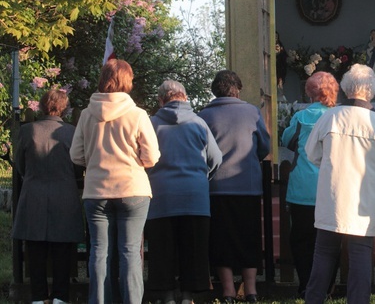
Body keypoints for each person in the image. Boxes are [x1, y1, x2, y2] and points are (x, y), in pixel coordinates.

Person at [303, 64, 375, 304]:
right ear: (372, 91)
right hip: (363, 198)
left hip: (333, 194)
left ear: (346, 89)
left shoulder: (330, 117)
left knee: (324, 253)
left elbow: (311, 154)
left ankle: (313, 300)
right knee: (360, 254)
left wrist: (330, 165)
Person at [70, 59, 161, 304]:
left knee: (99, 252)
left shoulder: (88, 114)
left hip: (96, 191)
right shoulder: (138, 114)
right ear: (127, 81)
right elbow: (151, 157)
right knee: (130, 252)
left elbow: (76, 155)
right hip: (133, 190)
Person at [145, 80, 223, 304]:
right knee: (194, 250)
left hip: (161, 196)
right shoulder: (199, 123)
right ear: (185, 97)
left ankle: (168, 296)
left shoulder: (152, 124)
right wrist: (201, 176)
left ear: (161, 100)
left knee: (162, 250)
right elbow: (216, 159)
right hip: (195, 196)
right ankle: (188, 297)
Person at [198, 70, 271, 303]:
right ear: (237, 89)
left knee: (221, 240)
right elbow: (264, 146)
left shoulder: (204, 116)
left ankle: (228, 291)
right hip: (247, 185)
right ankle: (251, 291)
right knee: (249, 238)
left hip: (216, 187)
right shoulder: (251, 112)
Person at [13, 89, 85, 304]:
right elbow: (78, 166)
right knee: (63, 250)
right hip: (64, 195)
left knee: (35, 249)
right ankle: (60, 297)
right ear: (63, 108)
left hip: (34, 194)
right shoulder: (72, 132)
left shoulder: (28, 131)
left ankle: (38, 297)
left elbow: (20, 165)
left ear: (42, 107)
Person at [281, 71, 339, 297]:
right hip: (331, 189)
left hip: (303, 188)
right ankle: (327, 287)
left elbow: (287, 141)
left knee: (301, 240)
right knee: (329, 242)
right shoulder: (337, 116)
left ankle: (306, 285)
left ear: (309, 93)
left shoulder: (301, 117)